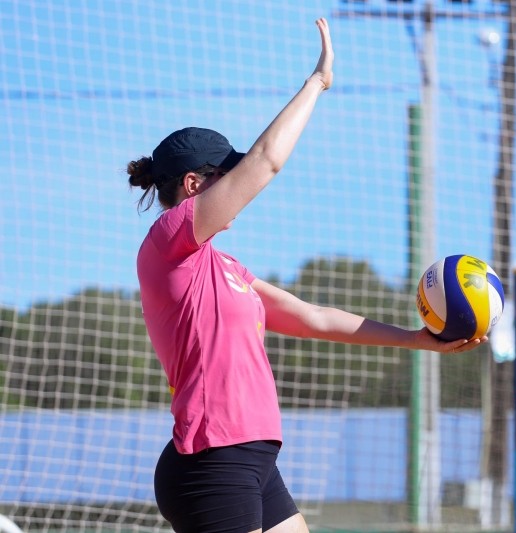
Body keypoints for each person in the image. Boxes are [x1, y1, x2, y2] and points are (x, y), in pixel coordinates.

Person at [127, 18, 486, 533]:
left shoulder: (224, 267)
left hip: (251, 458)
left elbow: (313, 316)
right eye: (227, 177)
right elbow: (267, 160)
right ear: (193, 185)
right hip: (211, 461)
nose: (239, 188)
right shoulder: (169, 242)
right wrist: (316, 83)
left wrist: (418, 341)